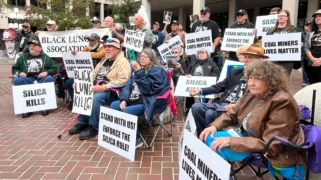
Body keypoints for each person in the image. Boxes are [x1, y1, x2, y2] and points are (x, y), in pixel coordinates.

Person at [200, 60, 305, 177]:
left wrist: (231, 141)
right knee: (209, 136)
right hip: (248, 137)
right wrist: (215, 125)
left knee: (217, 148)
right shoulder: (253, 92)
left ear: (271, 81)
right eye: (250, 78)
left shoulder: (282, 101)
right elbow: (233, 113)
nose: (251, 83)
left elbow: (271, 145)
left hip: (272, 150)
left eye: (257, 79)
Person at [190, 44, 269, 136]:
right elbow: (219, 86)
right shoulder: (236, 72)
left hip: (241, 108)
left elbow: (259, 101)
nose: (245, 60)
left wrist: (237, 106)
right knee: (196, 107)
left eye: (250, 57)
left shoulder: (263, 79)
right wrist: (200, 90)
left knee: (209, 113)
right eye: (245, 57)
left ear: (260, 60)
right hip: (224, 103)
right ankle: (203, 138)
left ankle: (209, 139)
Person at [68, 38, 131, 140]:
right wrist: (81, 82)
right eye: (105, 47)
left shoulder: (122, 62)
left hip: (112, 91)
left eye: (110, 47)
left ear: (118, 49)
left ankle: (94, 126)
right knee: (81, 91)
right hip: (97, 86)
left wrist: (104, 87)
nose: (107, 49)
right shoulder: (104, 60)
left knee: (96, 97)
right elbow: (93, 74)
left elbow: (123, 80)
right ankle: (83, 122)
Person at [110, 48, 170, 148]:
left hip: (149, 101)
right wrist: (124, 99)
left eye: (145, 57)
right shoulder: (137, 71)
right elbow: (128, 86)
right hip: (134, 99)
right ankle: (122, 133)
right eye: (141, 56)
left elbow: (149, 89)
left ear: (151, 58)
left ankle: (137, 140)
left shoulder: (157, 71)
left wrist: (138, 71)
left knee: (128, 111)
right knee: (114, 105)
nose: (141, 58)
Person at [12, 38, 57, 118]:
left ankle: (45, 107)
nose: (31, 47)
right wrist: (20, 73)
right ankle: (27, 109)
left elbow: (54, 69)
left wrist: (46, 72)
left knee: (50, 79)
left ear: (40, 48)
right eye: (30, 46)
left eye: (34, 46)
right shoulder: (22, 57)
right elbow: (14, 69)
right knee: (17, 81)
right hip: (28, 78)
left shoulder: (46, 57)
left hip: (41, 79)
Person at [66, 33, 106, 110]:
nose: (90, 42)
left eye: (92, 40)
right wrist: (75, 53)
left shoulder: (103, 48)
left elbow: (98, 55)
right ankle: (76, 101)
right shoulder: (88, 48)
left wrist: (84, 53)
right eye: (89, 40)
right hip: (86, 73)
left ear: (97, 41)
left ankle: (89, 103)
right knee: (69, 82)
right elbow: (80, 53)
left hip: (97, 75)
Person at [185, 48, 220, 113]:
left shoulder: (212, 64)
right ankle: (189, 108)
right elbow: (187, 72)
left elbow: (217, 74)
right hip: (194, 85)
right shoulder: (193, 64)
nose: (201, 55)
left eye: (203, 53)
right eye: (199, 53)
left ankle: (205, 108)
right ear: (197, 55)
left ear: (207, 54)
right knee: (189, 92)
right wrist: (188, 75)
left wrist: (208, 77)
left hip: (206, 86)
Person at [267, 10, 301, 75]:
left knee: (284, 78)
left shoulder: (294, 29)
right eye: (279, 16)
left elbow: (298, 42)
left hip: (287, 60)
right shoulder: (271, 31)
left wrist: (299, 44)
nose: (281, 17)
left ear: (287, 18)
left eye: (283, 16)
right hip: (273, 59)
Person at [304, 9, 321, 84]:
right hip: (311, 62)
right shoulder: (310, 33)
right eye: (316, 17)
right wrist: (313, 59)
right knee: (312, 83)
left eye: (320, 16)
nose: (317, 18)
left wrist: (320, 60)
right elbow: (306, 46)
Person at [301, 21, 311, 87]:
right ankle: (305, 81)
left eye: (309, 26)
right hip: (302, 53)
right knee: (303, 68)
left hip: (310, 54)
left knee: (310, 67)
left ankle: (309, 80)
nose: (308, 27)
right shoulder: (301, 34)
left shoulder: (313, 33)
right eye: (307, 25)